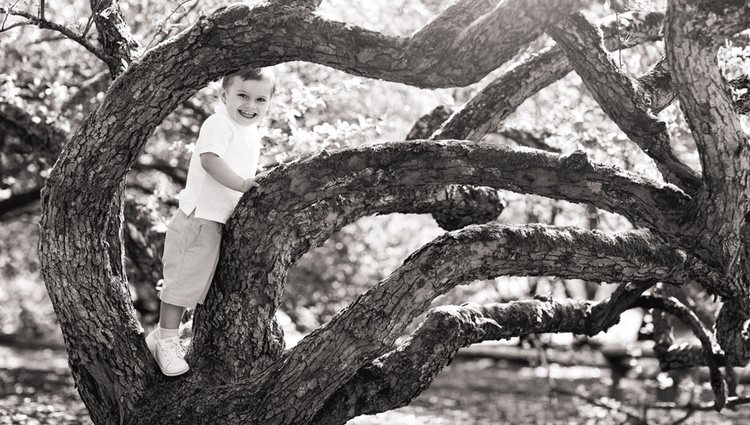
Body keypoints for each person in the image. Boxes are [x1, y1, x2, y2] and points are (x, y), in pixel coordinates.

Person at [145, 67, 276, 376]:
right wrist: (244, 184)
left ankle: (162, 336)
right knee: (179, 285)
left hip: (215, 220)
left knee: (194, 285)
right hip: (198, 217)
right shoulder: (219, 123)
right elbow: (210, 160)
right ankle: (165, 341)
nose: (250, 105)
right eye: (242, 96)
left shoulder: (250, 132)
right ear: (223, 95)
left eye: (260, 99)